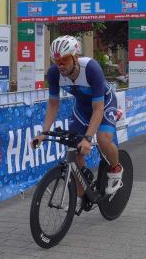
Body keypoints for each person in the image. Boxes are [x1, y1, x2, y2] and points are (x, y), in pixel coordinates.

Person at [32, 35, 123, 196]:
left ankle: (116, 168)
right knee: (73, 150)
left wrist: (87, 138)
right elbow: (53, 104)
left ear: (75, 57)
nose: (60, 65)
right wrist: (44, 133)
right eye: (56, 60)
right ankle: (83, 193)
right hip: (82, 107)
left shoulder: (91, 68)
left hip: (105, 103)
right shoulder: (53, 73)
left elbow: (98, 109)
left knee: (102, 139)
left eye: (65, 59)